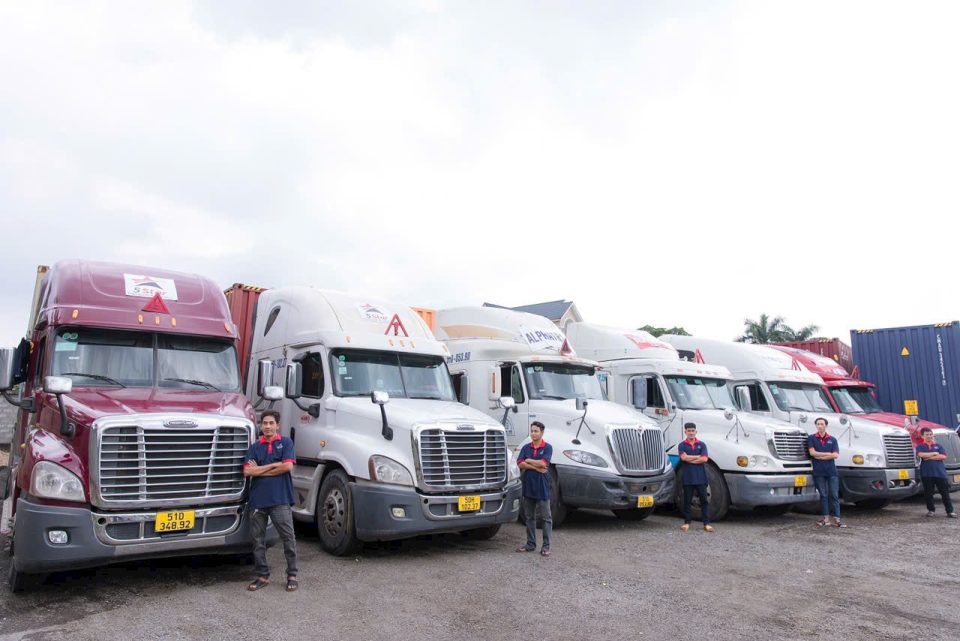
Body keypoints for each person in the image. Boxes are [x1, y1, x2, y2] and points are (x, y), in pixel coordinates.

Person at [243, 410, 299, 591]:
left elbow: (288, 466)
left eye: (271, 423)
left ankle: (292, 574)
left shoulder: (286, 443)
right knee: (258, 541)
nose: (267, 426)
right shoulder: (254, 447)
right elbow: (247, 472)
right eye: (264, 423)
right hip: (258, 501)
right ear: (260, 425)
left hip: (280, 499)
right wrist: (275, 464)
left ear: (277, 425)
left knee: (288, 538)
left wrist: (261, 468)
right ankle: (262, 576)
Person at [516, 421, 553, 556]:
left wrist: (529, 460)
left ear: (542, 432)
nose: (533, 433)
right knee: (529, 517)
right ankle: (530, 544)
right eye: (532, 431)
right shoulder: (526, 447)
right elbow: (520, 464)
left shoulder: (548, 447)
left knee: (546, 517)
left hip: (542, 486)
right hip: (528, 485)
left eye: (536, 431)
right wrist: (535, 466)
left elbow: (544, 463)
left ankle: (546, 546)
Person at [808, 417, 844, 528]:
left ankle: (837, 519)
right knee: (823, 495)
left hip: (831, 472)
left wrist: (822, 456)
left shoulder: (832, 440)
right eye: (818, 424)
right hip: (819, 472)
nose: (820, 426)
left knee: (834, 495)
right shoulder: (811, 438)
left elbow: (836, 455)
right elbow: (812, 453)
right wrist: (827, 454)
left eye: (822, 424)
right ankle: (826, 518)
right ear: (816, 426)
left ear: (826, 425)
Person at [678, 422, 714, 532]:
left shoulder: (702, 445)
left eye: (693, 431)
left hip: (701, 478)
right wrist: (697, 457)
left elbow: (704, 459)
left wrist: (690, 458)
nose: (691, 433)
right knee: (687, 500)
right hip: (688, 478)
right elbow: (683, 458)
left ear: (696, 432)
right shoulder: (682, 445)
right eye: (689, 431)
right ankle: (687, 522)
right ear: (685, 432)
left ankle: (706, 523)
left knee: (704, 500)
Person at [916, 427, 957, 518]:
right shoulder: (920, 446)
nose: (929, 436)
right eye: (927, 435)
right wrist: (934, 453)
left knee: (945, 493)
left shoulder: (938, 446)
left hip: (940, 474)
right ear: (922, 436)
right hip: (927, 474)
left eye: (930, 434)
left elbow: (943, 456)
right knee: (928, 494)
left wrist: (928, 457)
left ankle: (950, 511)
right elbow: (920, 454)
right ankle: (931, 510)